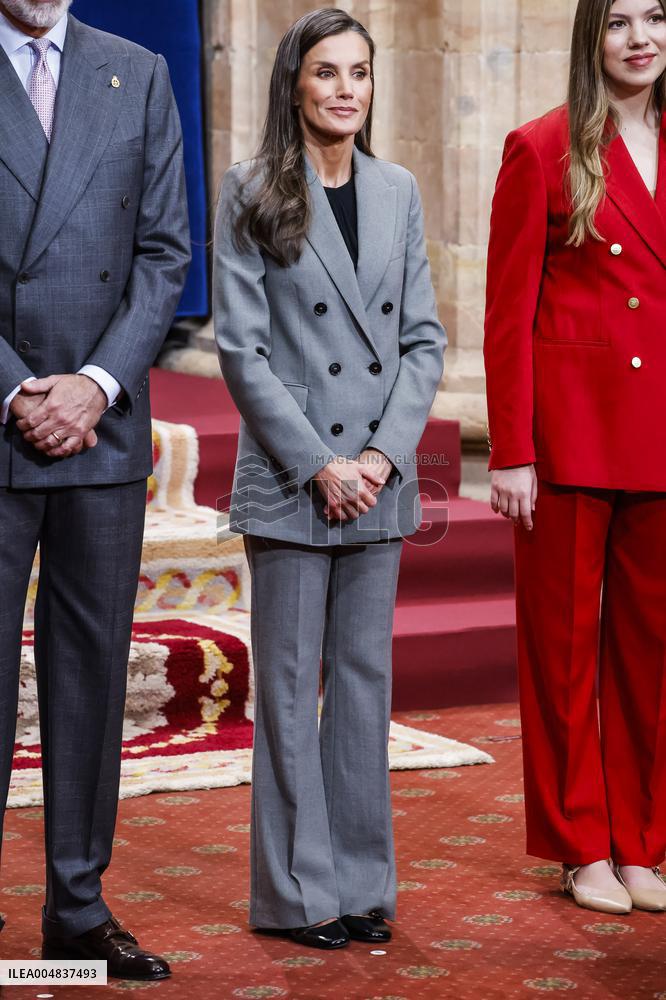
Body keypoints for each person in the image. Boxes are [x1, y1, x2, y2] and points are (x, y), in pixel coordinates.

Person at [214, 7, 445, 950]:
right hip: (293, 476)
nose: (346, 89)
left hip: (378, 479)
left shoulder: (398, 190)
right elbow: (242, 350)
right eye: (327, 73)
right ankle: (295, 895)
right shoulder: (251, 190)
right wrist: (321, 465)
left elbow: (423, 342)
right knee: (287, 691)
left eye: (359, 72)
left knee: (361, 688)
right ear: (294, 85)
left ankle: (360, 885)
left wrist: (383, 459)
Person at [0, 0, 190, 978]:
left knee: (89, 676)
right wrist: (17, 386)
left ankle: (77, 907)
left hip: (101, 429)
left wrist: (96, 384)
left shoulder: (140, 72)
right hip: (0, 413)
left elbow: (165, 252)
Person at [484, 0, 666, 915]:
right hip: (570, 439)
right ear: (591, 37)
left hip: (662, 436)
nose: (641, 38)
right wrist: (510, 451)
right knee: (562, 655)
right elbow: (508, 310)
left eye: (658, 17)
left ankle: (641, 842)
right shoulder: (542, 145)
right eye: (620, 21)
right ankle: (578, 843)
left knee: (652, 655)